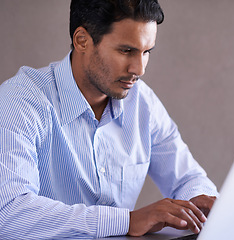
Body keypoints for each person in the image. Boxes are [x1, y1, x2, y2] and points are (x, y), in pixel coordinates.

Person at [0, 0, 218, 239]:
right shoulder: (19, 100)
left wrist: (198, 202)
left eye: (146, 52)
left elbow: (188, 178)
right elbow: (9, 213)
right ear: (82, 40)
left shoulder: (142, 101)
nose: (139, 68)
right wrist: (127, 221)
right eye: (126, 51)